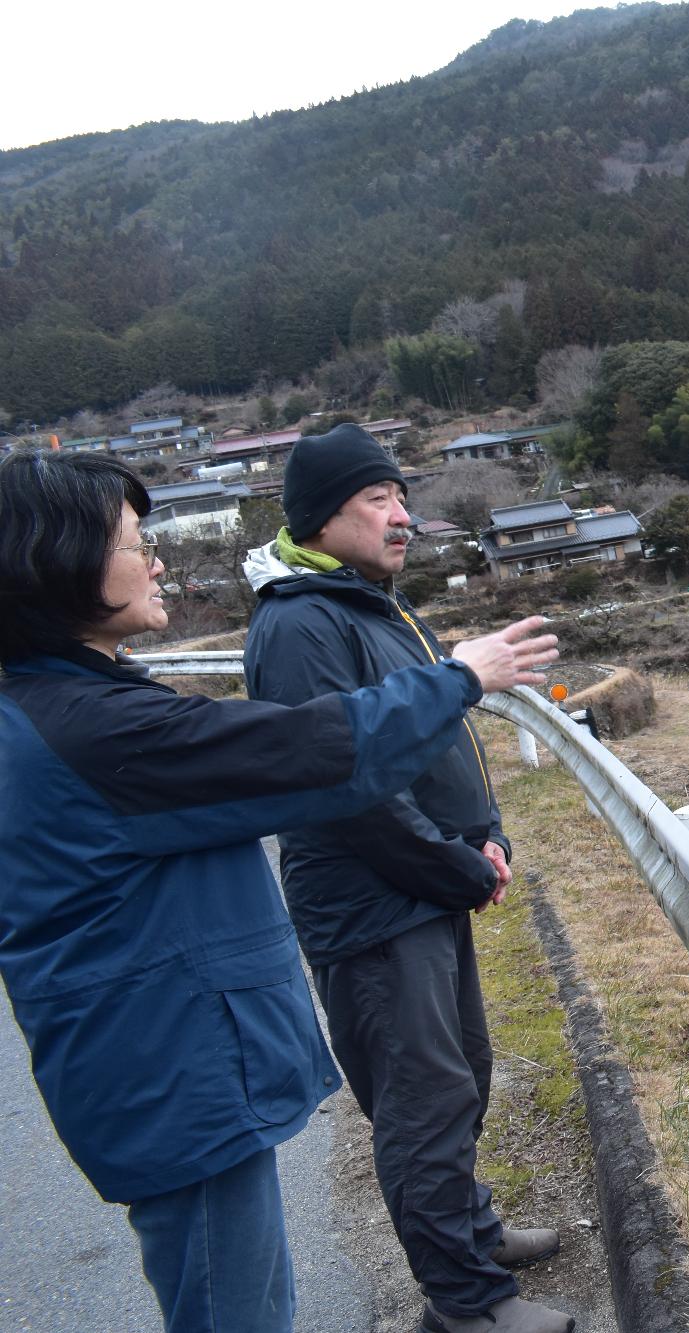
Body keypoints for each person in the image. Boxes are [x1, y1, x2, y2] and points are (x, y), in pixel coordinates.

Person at [0, 448, 559, 1333]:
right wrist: (459, 679)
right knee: (241, 1306)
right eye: (137, 543)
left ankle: (474, 1259)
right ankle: (469, 1302)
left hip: (169, 1058)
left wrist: (474, 831)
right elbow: (316, 757)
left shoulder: (65, 708)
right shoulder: (96, 728)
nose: (158, 563)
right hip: (177, 1064)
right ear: (58, 560)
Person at [242, 424, 571, 1333]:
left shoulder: (373, 605)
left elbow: (433, 741)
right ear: (323, 515)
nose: (403, 517)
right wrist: (456, 864)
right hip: (373, 908)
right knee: (421, 1104)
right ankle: (469, 1304)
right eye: (377, 499)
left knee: (460, 1073)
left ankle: (474, 1234)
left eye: (401, 497)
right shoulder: (301, 624)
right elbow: (347, 788)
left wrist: (485, 836)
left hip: (419, 887)